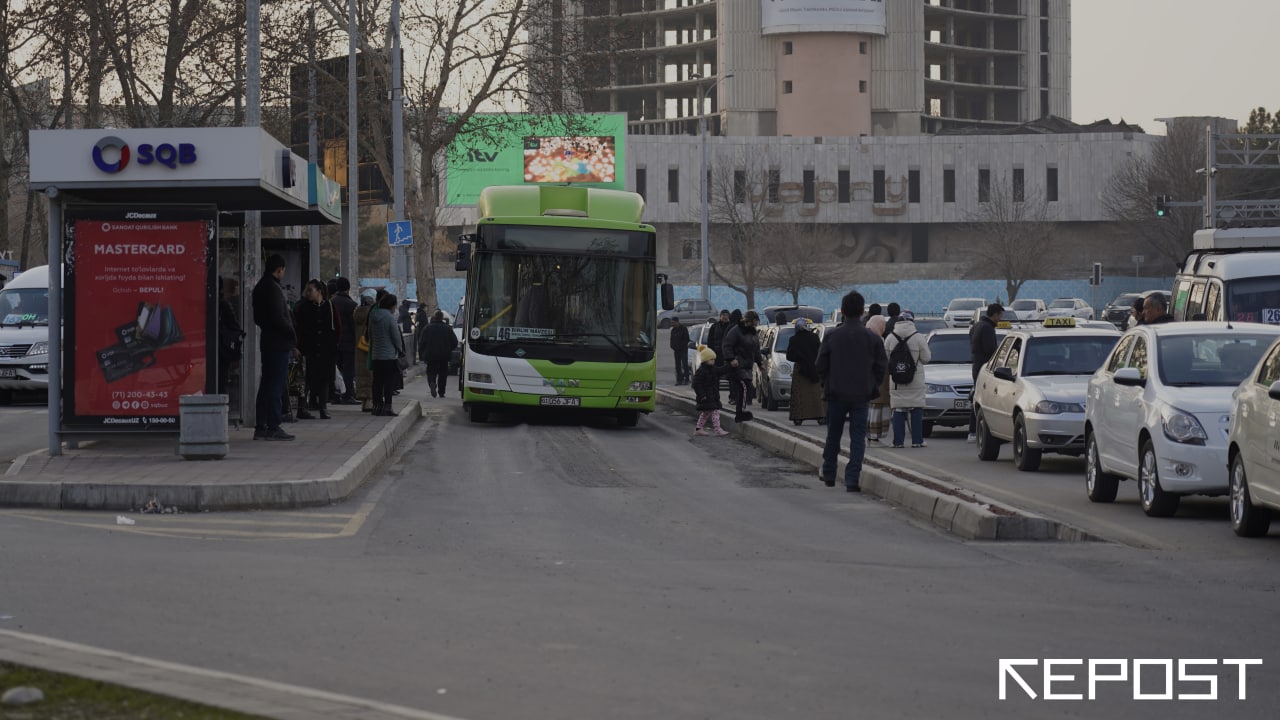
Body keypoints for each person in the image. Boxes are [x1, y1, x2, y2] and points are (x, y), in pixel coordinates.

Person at [815, 291, 887, 492]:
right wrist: (871, 386)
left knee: (833, 434)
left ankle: (829, 473)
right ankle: (852, 479)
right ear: (863, 311)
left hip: (835, 393)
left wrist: (826, 383)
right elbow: (881, 366)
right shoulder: (872, 338)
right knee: (857, 438)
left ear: (843, 311)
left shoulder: (832, 336)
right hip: (861, 394)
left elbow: (820, 365)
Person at [251, 254, 297, 441]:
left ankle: (261, 426)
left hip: (268, 341)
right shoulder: (273, 288)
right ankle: (273, 425)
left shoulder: (261, 286)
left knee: (266, 384)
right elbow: (279, 318)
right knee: (275, 386)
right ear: (280, 269)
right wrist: (292, 333)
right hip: (278, 343)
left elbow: (259, 318)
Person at [884, 310, 932, 448]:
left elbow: (885, 358)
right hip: (915, 379)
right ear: (912, 321)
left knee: (898, 408)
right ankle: (917, 440)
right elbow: (926, 358)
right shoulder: (918, 337)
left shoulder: (890, 337)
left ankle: (898, 442)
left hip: (896, 379)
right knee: (916, 408)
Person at [294, 279, 340, 420]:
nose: (308, 293)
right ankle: (302, 408)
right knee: (306, 379)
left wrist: (334, 345)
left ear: (319, 291)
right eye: (307, 290)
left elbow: (337, 328)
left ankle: (323, 408)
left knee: (324, 379)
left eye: (310, 290)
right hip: (308, 348)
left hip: (326, 349)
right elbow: (297, 328)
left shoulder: (330, 307)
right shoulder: (303, 307)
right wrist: (296, 347)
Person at [968, 303, 1003, 443]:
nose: (1000, 319)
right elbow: (990, 350)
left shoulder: (977, 326)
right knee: (982, 399)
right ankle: (974, 430)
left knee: (977, 396)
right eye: (1000, 315)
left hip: (976, 365)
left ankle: (973, 431)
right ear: (995, 314)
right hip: (984, 368)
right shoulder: (987, 328)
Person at [721, 309, 764, 423]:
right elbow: (727, 345)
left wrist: (759, 363)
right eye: (755, 321)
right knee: (743, 387)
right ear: (748, 321)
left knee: (746, 388)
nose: (756, 323)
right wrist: (731, 359)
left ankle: (740, 412)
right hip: (737, 365)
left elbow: (756, 350)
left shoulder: (753, 333)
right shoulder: (736, 330)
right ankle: (740, 412)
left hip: (748, 366)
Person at [369, 293, 406, 416]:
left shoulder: (373, 316)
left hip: (375, 355)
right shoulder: (389, 318)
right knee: (388, 383)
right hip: (389, 356)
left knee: (377, 382)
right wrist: (400, 349)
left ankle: (377, 406)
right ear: (392, 305)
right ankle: (387, 407)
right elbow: (396, 337)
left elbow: (369, 335)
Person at [785, 318, 824, 425]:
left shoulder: (793, 339)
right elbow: (820, 352)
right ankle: (820, 415)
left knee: (800, 395)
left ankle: (799, 417)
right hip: (814, 369)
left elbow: (789, 356)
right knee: (816, 394)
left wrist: (800, 358)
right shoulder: (814, 337)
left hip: (801, 370)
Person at [864, 314, 892, 445]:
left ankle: (872, 433)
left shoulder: (866, 336)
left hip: (869, 378)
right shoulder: (878, 339)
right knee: (877, 406)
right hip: (878, 377)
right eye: (883, 325)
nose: (884, 327)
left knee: (873, 407)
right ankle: (874, 433)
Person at [330, 278, 359, 404]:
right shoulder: (351, 305)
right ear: (348, 288)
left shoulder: (331, 302)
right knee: (348, 370)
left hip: (334, 342)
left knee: (335, 369)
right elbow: (354, 326)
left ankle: (335, 394)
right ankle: (348, 394)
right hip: (348, 344)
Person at [417, 309, 458, 398]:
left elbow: (421, 343)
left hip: (431, 355)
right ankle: (441, 392)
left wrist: (421, 355)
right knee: (443, 373)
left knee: (431, 372)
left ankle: (432, 382)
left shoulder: (427, 328)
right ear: (442, 318)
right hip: (444, 356)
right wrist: (448, 349)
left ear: (434, 317)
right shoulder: (447, 328)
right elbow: (455, 342)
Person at [691, 345, 729, 437]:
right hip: (706, 397)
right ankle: (717, 429)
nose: (713, 361)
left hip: (712, 396)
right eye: (711, 359)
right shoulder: (701, 371)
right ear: (705, 360)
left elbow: (721, 370)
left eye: (714, 359)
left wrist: (730, 366)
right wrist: (702, 395)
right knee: (715, 412)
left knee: (706, 413)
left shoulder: (712, 369)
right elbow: (696, 384)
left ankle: (698, 429)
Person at [216, 276, 245, 397]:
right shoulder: (224, 304)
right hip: (222, 349)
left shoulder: (222, 305)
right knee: (221, 381)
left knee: (220, 380)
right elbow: (235, 326)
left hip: (220, 349)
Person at [354, 290, 376, 412]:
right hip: (370, 347)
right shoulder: (373, 314)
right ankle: (370, 401)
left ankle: (363, 401)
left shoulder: (356, 314)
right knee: (371, 374)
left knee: (361, 373)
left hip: (359, 348)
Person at [669, 316, 691, 385]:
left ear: (677, 322)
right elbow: (672, 340)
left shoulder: (684, 329)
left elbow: (686, 339)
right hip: (676, 351)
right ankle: (679, 380)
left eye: (673, 322)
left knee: (685, 365)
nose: (672, 324)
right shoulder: (673, 330)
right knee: (677, 366)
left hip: (683, 350)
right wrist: (673, 346)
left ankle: (686, 379)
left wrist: (681, 346)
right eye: (671, 323)